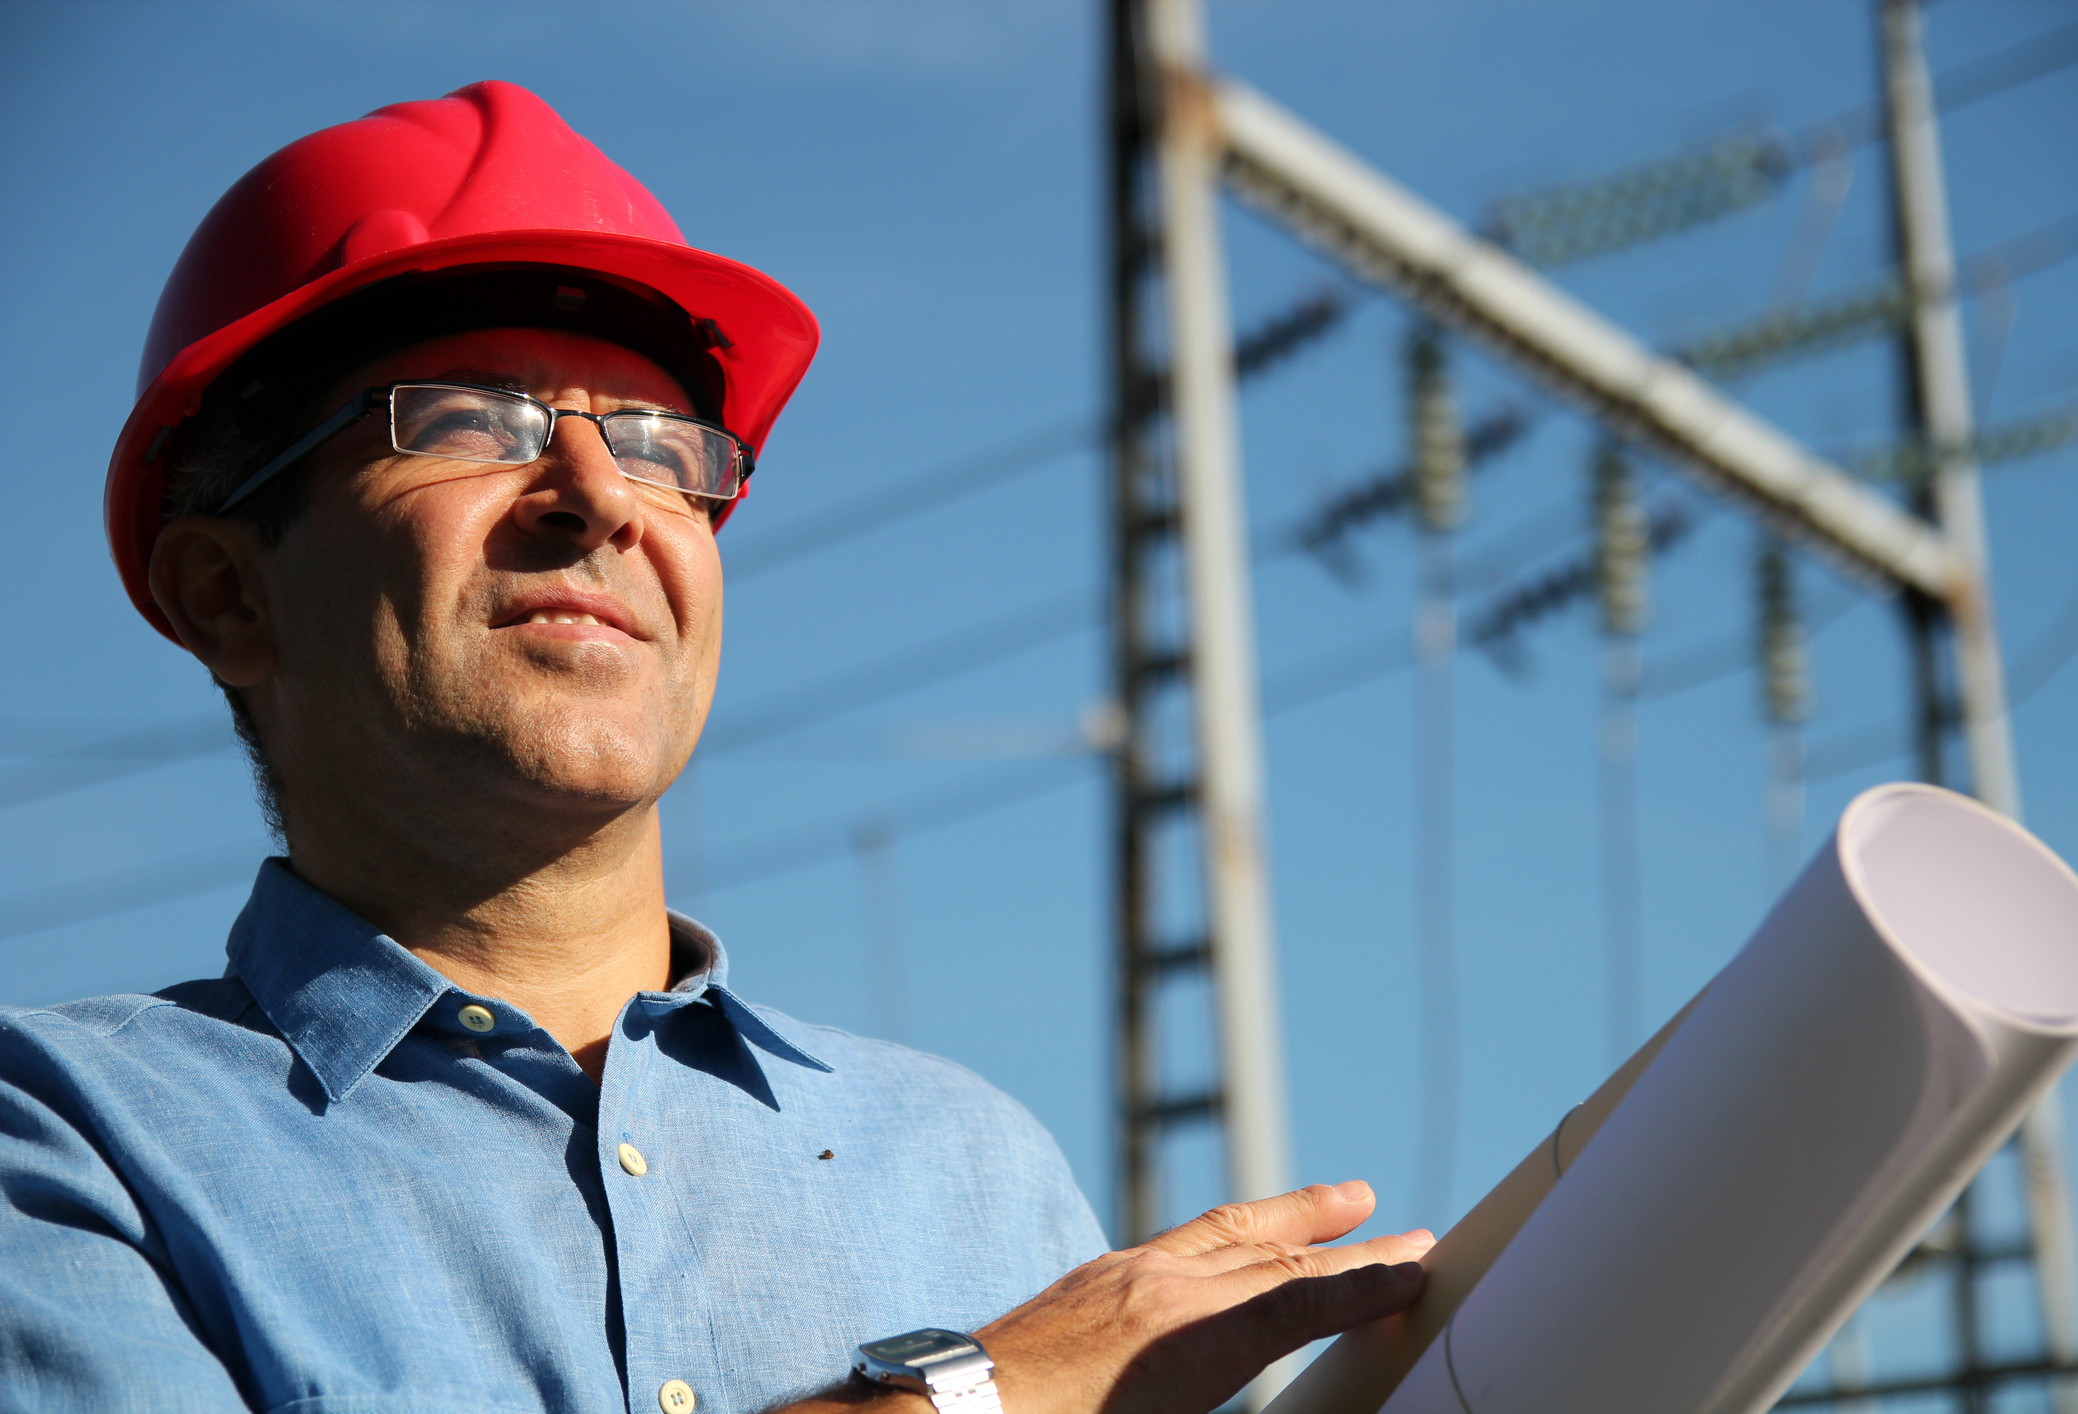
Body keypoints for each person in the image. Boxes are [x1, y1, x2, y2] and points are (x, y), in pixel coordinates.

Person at [0, 82, 1432, 1414]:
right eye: (465, 420)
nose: (596, 493)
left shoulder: (976, 1168)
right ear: (227, 592)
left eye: (662, 443)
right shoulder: (71, 1145)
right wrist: (976, 1390)